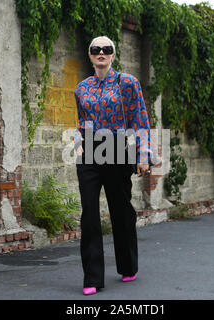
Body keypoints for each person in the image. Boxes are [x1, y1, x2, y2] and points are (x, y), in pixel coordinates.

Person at [73, 36, 152, 295]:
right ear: (90, 55)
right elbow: (80, 122)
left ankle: (128, 265)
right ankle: (92, 278)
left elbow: (140, 119)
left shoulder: (127, 83)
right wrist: (77, 142)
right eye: (96, 50)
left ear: (114, 54)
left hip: (118, 148)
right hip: (89, 153)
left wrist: (143, 155)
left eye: (106, 49)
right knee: (90, 215)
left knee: (121, 211)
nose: (101, 53)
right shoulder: (81, 88)